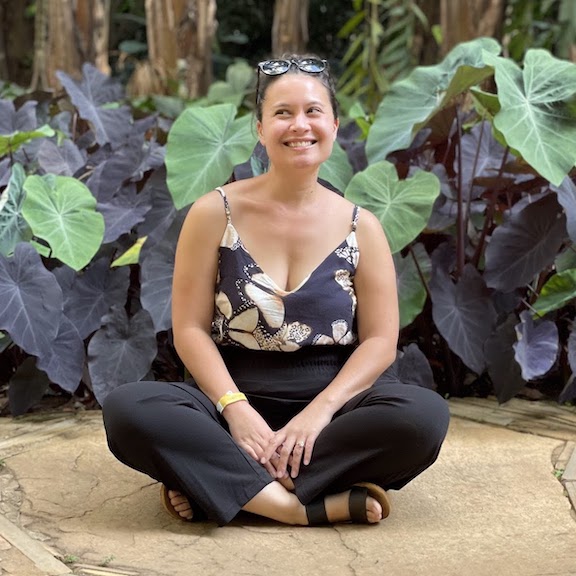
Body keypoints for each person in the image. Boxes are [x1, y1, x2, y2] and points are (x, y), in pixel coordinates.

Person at [102, 55, 450, 527]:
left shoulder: (361, 226)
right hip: (233, 389)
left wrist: (318, 414)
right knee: (128, 411)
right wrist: (236, 410)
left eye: (313, 111)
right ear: (261, 128)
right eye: (283, 113)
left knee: (422, 417)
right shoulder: (213, 213)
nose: (299, 125)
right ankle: (293, 507)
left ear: (333, 124)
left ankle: (223, 486)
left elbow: (380, 342)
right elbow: (188, 328)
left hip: (334, 395)